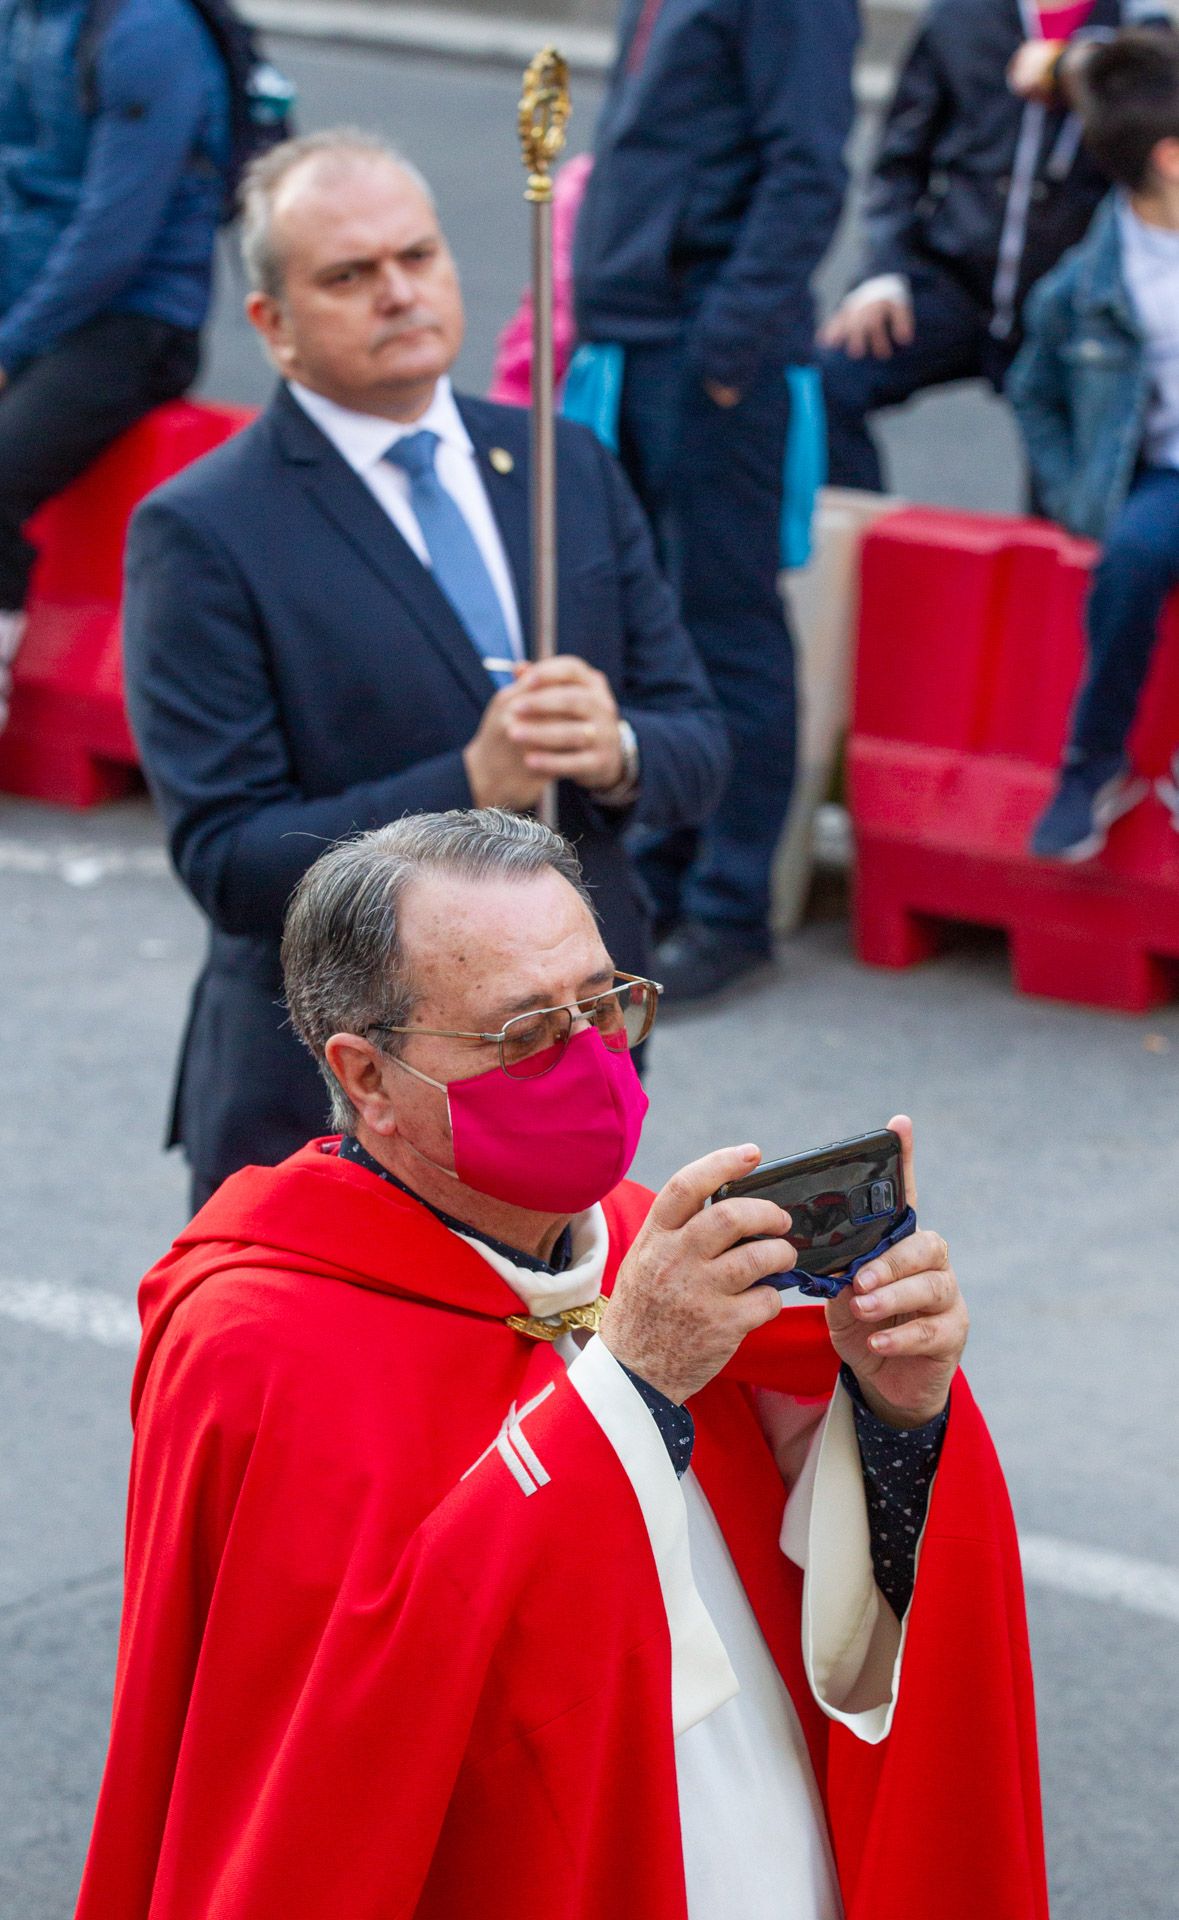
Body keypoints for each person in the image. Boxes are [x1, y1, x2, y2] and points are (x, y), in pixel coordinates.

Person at [76, 807, 1048, 1920]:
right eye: (527, 1033)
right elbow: (337, 1739)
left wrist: (893, 1408)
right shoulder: (253, 1340)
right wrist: (626, 1391)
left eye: (606, 1003)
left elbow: (815, 1586)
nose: (588, 1056)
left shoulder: (646, 1248)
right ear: (369, 1075)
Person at [122, 131, 729, 1210]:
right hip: (338, 1113)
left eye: (418, 256)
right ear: (273, 324)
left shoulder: (563, 462)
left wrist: (620, 747)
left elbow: (697, 743)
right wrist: (471, 781)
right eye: (349, 276)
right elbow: (229, 861)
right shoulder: (204, 530)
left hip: (573, 1064)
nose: (398, 294)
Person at [570, 0, 859, 1002]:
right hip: (643, 332)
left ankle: (730, 907)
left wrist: (728, 346)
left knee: (728, 629)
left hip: (709, 350)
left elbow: (808, 165)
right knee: (652, 629)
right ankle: (657, 877)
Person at [817, 0, 1168, 496]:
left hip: (1069, 302)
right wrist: (881, 272)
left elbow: (1157, 130)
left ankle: (1054, 566)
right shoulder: (962, 15)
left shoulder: (1137, 23)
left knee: (1070, 480)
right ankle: (872, 551)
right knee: (829, 378)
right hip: (955, 277)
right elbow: (898, 161)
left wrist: (1068, 67)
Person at [0, 0, 232, 733]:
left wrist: (9, 346)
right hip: (31, 305)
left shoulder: (148, 32)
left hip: (136, 319)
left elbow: (115, 234)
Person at [1010, 29, 1179, 859]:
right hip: (1166, 479)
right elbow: (1031, 388)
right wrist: (1076, 494)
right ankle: (1091, 763)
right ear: (1171, 159)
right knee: (1130, 561)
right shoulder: (1087, 283)